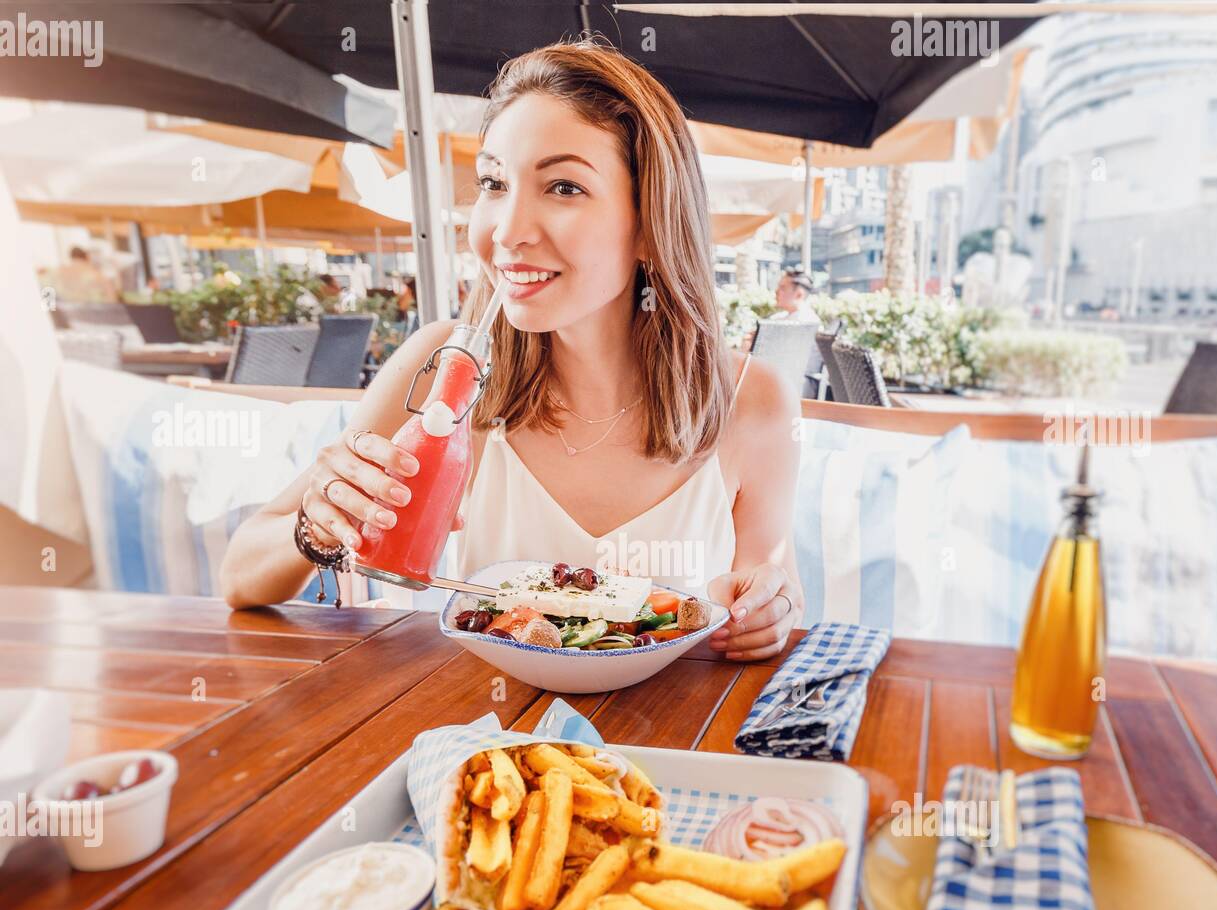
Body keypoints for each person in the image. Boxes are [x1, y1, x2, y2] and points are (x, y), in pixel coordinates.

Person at [221, 39, 804, 663]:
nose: (506, 230)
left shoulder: (750, 399)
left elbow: (773, 581)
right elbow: (241, 576)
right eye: (494, 182)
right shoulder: (446, 371)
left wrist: (769, 611)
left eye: (563, 187)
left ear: (649, 222)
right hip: (479, 743)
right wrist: (318, 524)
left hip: (667, 745)